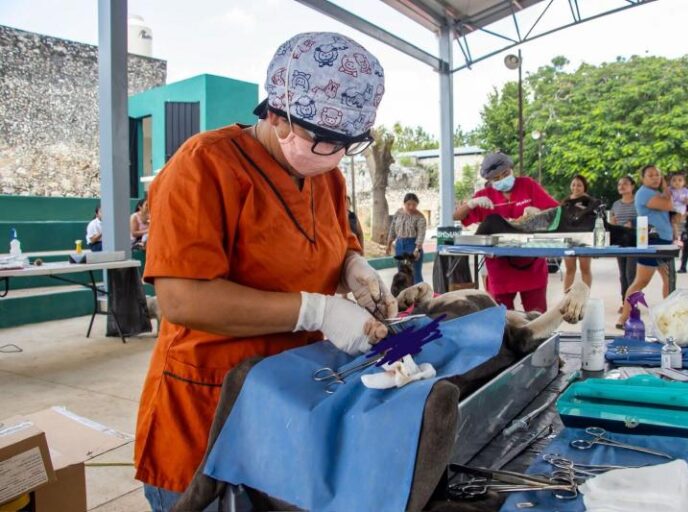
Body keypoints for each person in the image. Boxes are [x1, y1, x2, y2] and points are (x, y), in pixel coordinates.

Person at [134, 32, 396, 511]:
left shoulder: (326, 176)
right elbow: (183, 299)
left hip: (293, 403)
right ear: (278, 118)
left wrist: (354, 268)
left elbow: (335, 242)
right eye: (325, 141)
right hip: (209, 411)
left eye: (347, 144)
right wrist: (316, 310)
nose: (335, 156)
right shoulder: (202, 166)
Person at [453, 151, 558, 313]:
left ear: (511, 168)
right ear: (489, 180)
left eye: (506, 174)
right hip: (500, 269)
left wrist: (538, 213)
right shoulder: (484, 196)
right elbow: (455, 216)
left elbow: (555, 211)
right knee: (503, 320)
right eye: (496, 178)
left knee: (537, 317)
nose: (502, 179)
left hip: (532, 266)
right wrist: (471, 204)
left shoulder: (528, 185)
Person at [616, 165, 674, 328]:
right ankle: (624, 318)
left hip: (664, 239)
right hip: (652, 240)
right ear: (643, 179)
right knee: (641, 281)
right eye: (650, 175)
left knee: (669, 280)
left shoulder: (657, 193)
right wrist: (666, 189)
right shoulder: (644, 193)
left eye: (658, 174)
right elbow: (670, 205)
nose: (655, 177)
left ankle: (668, 316)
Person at [561, 175, 600, 291]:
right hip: (568, 239)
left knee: (585, 268)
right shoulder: (566, 202)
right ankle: (566, 299)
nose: (575, 187)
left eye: (579, 185)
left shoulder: (591, 202)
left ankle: (584, 296)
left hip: (585, 238)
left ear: (584, 187)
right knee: (569, 269)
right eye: (573, 185)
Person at [386, 193, 427, 284]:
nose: (411, 207)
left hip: (413, 245)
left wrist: (417, 249)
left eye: (414, 205)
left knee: (415, 273)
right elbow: (392, 229)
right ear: (404, 203)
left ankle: (420, 296)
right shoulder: (398, 213)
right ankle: (402, 295)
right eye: (409, 204)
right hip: (399, 244)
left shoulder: (420, 217)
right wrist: (388, 244)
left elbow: (421, 235)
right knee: (401, 272)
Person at [610, 175, 638, 308]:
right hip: (620, 243)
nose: (621, 186)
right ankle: (624, 302)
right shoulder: (615, 204)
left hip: (634, 242)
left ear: (632, 186)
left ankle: (632, 304)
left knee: (631, 274)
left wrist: (632, 224)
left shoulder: (638, 202)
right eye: (619, 184)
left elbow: (645, 220)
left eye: (625, 183)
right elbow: (613, 222)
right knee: (623, 275)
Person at [669, 171, 688, 241]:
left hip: (679, 210)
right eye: (674, 180)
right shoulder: (669, 189)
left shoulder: (686, 191)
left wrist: (687, 201)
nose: (677, 182)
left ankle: (676, 236)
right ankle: (673, 236)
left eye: (680, 180)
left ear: (684, 182)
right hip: (670, 208)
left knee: (673, 221)